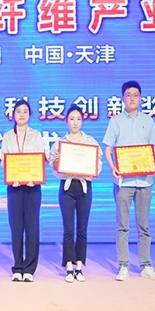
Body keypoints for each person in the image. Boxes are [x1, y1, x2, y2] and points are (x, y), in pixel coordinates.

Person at [103, 80, 155, 281]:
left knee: (144, 226)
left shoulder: (148, 120)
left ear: (140, 98)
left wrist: (152, 164)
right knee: (123, 226)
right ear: (122, 98)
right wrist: (113, 167)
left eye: (135, 95)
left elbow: (153, 149)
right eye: (128, 95)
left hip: (145, 181)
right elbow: (108, 149)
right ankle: (123, 265)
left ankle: (146, 266)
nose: (132, 98)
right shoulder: (116, 121)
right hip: (124, 182)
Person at [49, 105, 102, 283]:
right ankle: (69, 267)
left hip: (85, 187)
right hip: (67, 187)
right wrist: (58, 163)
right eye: (71, 119)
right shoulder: (60, 143)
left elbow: (98, 166)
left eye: (78, 119)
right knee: (68, 229)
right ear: (66, 121)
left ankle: (79, 266)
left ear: (82, 120)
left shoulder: (91, 142)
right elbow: (53, 168)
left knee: (82, 229)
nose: (75, 122)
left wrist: (89, 171)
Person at [0, 99, 47, 283]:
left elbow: (40, 159)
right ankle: (18, 267)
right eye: (18, 111)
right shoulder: (7, 136)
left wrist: (33, 176)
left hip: (33, 187)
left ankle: (29, 269)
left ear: (30, 115)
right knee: (16, 227)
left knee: (32, 227)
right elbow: (4, 160)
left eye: (25, 111)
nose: (21, 114)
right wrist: (12, 176)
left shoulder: (36, 135)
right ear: (13, 114)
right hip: (14, 187)